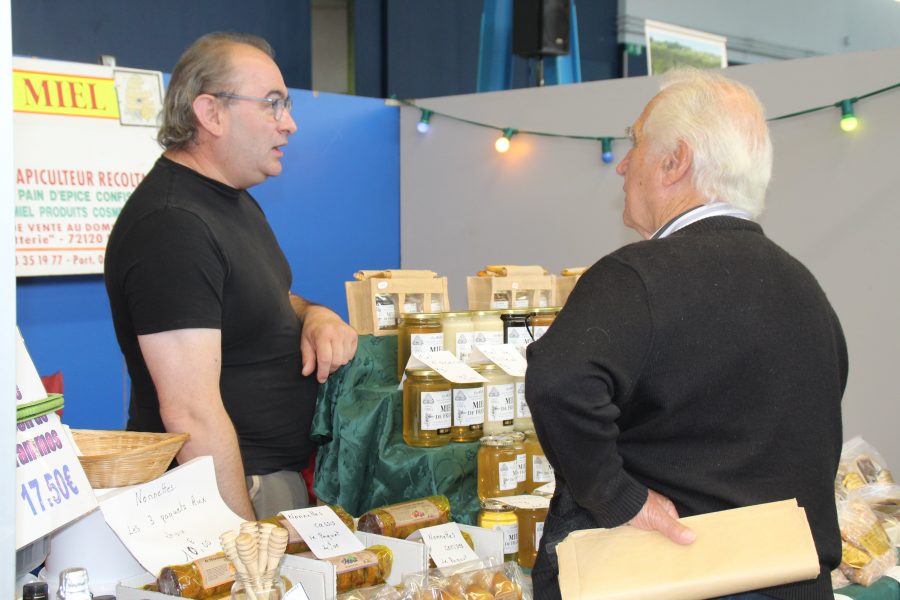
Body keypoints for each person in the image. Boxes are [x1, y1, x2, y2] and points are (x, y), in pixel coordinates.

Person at [525, 69, 847, 600]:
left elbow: (558, 381)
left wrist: (618, 497)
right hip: (790, 579)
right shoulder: (803, 286)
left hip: (665, 577)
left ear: (675, 161)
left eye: (635, 143)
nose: (623, 164)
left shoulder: (635, 276)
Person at [104, 32, 358, 521]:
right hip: (234, 494)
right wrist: (242, 539)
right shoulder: (173, 225)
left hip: (269, 481)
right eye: (272, 104)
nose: (290, 123)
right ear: (210, 112)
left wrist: (315, 315)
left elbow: (262, 299)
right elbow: (191, 415)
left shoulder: (232, 202)